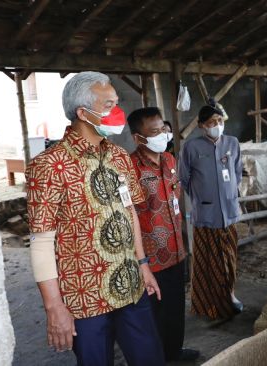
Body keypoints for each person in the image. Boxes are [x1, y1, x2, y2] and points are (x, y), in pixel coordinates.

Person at [25, 71, 164, 365]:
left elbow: (130, 213)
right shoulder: (49, 165)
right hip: (84, 300)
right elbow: (41, 243)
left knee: (150, 358)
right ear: (82, 112)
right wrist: (54, 308)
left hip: (131, 286)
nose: (117, 112)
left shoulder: (119, 156)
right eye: (109, 105)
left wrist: (143, 265)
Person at [127, 107, 200, 362]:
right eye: (155, 132)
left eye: (164, 129)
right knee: (153, 313)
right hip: (150, 259)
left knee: (175, 307)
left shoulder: (169, 160)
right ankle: (157, 356)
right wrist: (140, 260)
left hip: (176, 250)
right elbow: (129, 216)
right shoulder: (130, 168)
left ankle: (174, 351)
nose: (162, 135)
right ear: (138, 138)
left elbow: (175, 200)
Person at [179, 103, 243, 320]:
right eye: (211, 122)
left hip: (230, 213)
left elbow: (237, 173)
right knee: (208, 262)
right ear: (201, 126)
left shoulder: (232, 143)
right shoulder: (191, 147)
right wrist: (202, 197)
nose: (217, 125)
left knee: (230, 258)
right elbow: (184, 179)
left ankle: (231, 295)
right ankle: (208, 302)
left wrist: (229, 194)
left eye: (220, 121)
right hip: (206, 215)